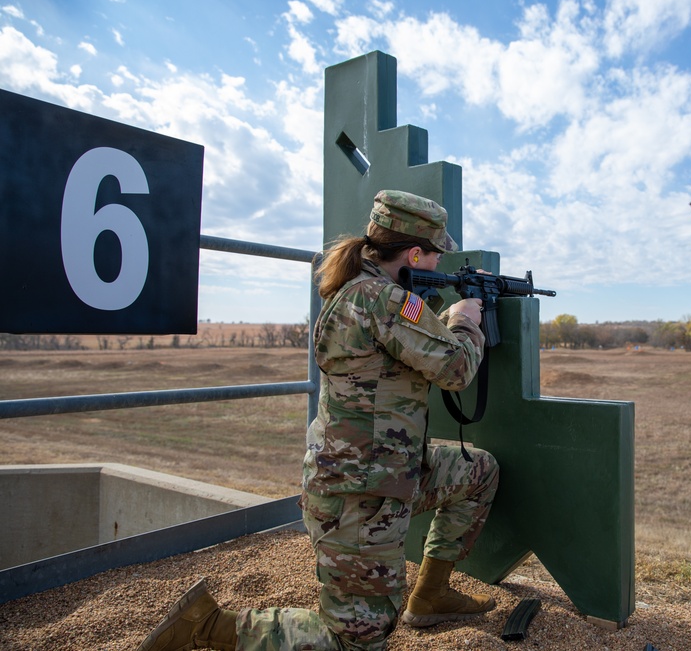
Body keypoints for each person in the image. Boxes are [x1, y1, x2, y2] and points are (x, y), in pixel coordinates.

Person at [138, 190, 500, 651]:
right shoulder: (384, 300)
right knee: (355, 641)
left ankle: (430, 595)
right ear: (414, 254)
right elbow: (457, 369)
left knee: (479, 471)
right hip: (358, 497)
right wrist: (467, 318)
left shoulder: (364, 292)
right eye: (434, 255)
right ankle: (205, 625)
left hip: (389, 471)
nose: (437, 266)